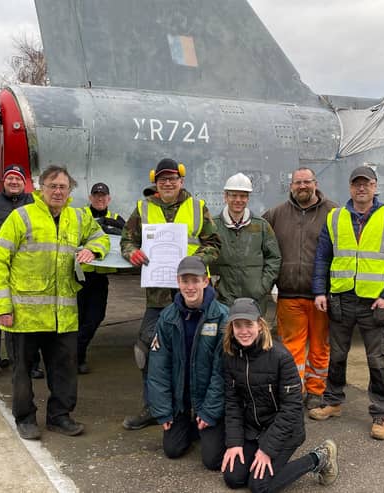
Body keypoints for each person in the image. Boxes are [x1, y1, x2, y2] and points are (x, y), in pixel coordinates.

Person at [0, 165, 110, 440]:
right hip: (24, 315)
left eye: (63, 187)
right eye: (52, 186)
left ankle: (60, 416)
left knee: (65, 369)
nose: (57, 191)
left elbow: (100, 237)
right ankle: (25, 418)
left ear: (70, 191)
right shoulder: (21, 217)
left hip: (63, 313)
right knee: (22, 370)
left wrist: (93, 249)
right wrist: (2, 307)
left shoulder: (78, 217)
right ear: (40, 189)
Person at [308, 166, 384, 441]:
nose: (361, 188)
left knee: (377, 360)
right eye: (356, 184)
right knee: (337, 356)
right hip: (341, 298)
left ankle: (380, 413)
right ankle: (333, 402)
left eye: (367, 184)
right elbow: (323, 257)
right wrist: (320, 291)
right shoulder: (335, 217)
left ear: (375, 187)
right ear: (350, 187)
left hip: (374, 302)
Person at [120, 158, 221, 430]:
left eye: (172, 178)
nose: (167, 183)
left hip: (194, 295)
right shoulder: (143, 208)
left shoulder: (198, 208)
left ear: (181, 180)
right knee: (146, 350)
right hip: (158, 297)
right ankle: (154, 407)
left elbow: (214, 244)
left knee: (199, 350)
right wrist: (132, 252)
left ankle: (195, 408)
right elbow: (126, 239)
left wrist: (195, 263)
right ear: (155, 181)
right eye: (162, 179)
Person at [221, 298, 339, 492]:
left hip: (286, 429)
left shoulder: (280, 357)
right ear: (231, 328)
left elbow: (292, 409)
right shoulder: (230, 356)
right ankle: (261, 456)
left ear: (259, 325)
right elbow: (232, 402)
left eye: (248, 324)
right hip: (255, 428)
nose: (243, 331)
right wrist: (234, 443)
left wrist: (267, 450)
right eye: (237, 325)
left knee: (259, 486)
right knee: (233, 478)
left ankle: (320, 457)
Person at [263, 168, 337, 410]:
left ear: (315, 183)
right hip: (288, 295)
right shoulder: (276, 214)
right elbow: (258, 241)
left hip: (321, 297)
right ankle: (295, 391)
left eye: (307, 182)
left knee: (319, 348)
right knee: (290, 350)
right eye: (298, 182)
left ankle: (316, 391)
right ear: (291, 186)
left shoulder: (334, 213)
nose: (302, 186)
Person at [147, 256, 228, 469]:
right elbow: (158, 368)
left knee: (212, 461)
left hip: (208, 399)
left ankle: (214, 424)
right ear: (178, 282)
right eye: (185, 281)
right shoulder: (167, 317)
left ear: (206, 281)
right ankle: (190, 424)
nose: (190, 287)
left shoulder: (222, 318)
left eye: (195, 280)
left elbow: (223, 373)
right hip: (181, 401)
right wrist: (164, 410)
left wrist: (210, 412)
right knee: (173, 450)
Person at [0, 165, 34, 381]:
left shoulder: (33, 202)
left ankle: (31, 364)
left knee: (27, 321)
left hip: (26, 271)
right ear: (4, 181)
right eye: (10, 178)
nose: (14, 182)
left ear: (24, 182)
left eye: (18, 179)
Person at [212, 173, 281, 313]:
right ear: (225, 197)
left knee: (253, 333)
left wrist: (262, 287)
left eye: (243, 196)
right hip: (223, 299)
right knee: (225, 333)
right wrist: (214, 287)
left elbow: (274, 258)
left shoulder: (261, 226)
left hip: (255, 299)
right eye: (233, 195)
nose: (238, 200)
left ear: (248, 198)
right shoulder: (213, 226)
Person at [77, 182, 126, 374]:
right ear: (90, 197)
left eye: (103, 196)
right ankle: (77, 357)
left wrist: (115, 230)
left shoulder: (116, 218)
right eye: (96, 195)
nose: (100, 199)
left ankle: (75, 351)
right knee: (77, 318)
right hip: (80, 275)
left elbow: (128, 239)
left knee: (96, 317)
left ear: (109, 199)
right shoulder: (80, 215)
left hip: (100, 278)